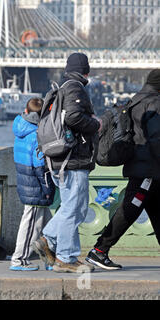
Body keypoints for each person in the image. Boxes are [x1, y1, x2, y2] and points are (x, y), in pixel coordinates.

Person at [32, 52, 100, 273]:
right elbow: (73, 117)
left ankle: (47, 239)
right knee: (73, 209)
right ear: (86, 70)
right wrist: (96, 125)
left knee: (76, 208)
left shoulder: (61, 87)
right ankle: (66, 257)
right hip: (73, 160)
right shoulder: (75, 88)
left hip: (59, 158)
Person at [86, 69, 160, 270]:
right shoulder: (154, 103)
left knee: (154, 208)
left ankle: (100, 250)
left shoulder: (136, 99)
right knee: (130, 209)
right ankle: (99, 250)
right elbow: (155, 139)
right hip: (148, 169)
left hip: (140, 165)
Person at [10, 98, 55, 271]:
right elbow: (40, 168)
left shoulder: (21, 128)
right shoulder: (37, 135)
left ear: (26, 111)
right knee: (30, 224)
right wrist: (47, 189)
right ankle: (19, 259)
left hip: (25, 181)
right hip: (36, 186)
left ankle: (51, 259)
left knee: (48, 225)